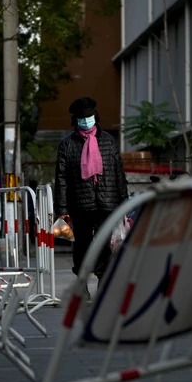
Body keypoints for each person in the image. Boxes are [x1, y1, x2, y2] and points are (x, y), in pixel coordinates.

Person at [55, 97, 128, 298]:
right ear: (76, 120)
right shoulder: (67, 145)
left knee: (106, 243)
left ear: (95, 116)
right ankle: (82, 283)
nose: (86, 120)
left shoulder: (108, 141)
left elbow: (118, 173)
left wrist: (124, 203)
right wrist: (62, 209)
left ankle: (103, 282)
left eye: (89, 117)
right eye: (82, 118)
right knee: (82, 246)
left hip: (107, 201)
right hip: (80, 204)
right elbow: (61, 179)